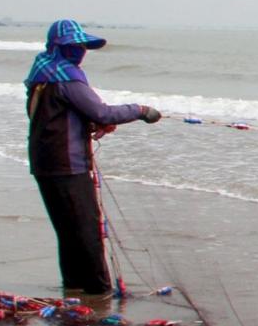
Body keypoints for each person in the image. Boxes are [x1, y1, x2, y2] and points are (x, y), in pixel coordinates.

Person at [23, 19, 161, 295]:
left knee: (68, 230)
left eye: (82, 45)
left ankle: (74, 288)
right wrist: (141, 110)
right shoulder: (66, 77)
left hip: (44, 162)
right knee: (87, 231)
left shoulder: (41, 72)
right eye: (73, 46)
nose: (80, 51)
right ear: (58, 47)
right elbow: (102, 112)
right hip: (67, 165)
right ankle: (99, 292)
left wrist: (92, 124)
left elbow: (59, 115)